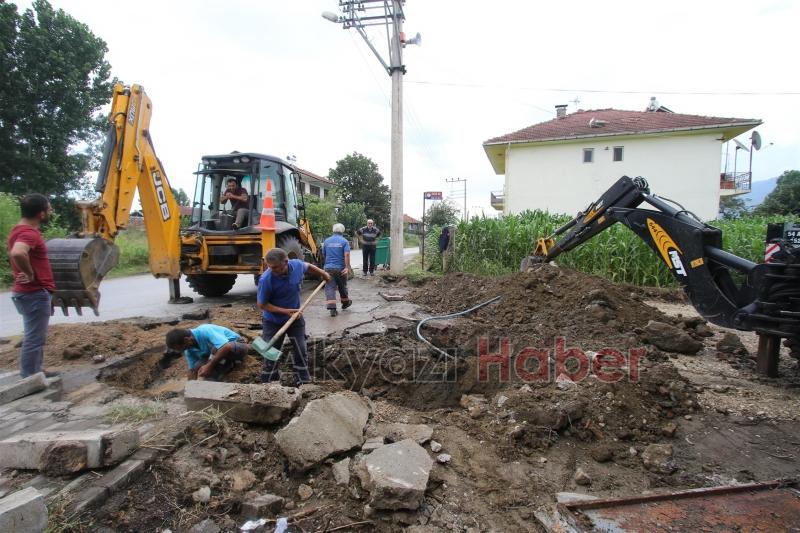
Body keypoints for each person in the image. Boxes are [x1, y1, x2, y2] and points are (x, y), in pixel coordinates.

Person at [257, 248, 330, 385]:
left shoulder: (295, 265)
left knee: (300, 349)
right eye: (269, 267)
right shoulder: (266, 279)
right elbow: (262, 304)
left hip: (295, 318)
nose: (272, 270)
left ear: (286, 262)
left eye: (275, 267)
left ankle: (302, 380)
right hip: (273, 321)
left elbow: (308, 266)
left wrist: (323, 273)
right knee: (271, 351)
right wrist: (285, 311)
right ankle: (269, 381)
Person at [8, 194, 58, 378]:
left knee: (35, 335)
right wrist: (30, 274)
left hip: (28, 293)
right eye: (49, 208)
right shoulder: (28, 233)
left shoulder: (18, 230)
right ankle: (31, 376)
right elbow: (18, 252)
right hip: (34, 293)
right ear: (41, 214)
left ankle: (35, 370)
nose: (51, 210)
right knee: (34, 338)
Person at [165, 324, 249, 381]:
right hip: (217, 355)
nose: (182, 351)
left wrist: (209, 366)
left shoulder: (204, 330)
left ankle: (229, 363)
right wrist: (192, 385)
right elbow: (192, 370)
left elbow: (226, 346)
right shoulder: (189, 349)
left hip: (237, 346)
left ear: (187, 340)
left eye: (181, 348)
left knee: (216, 348)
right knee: (198, 366)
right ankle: (227, 365)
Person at [322, 223, 353, 317]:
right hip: (340, 268)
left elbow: (324, 254)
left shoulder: (326, 241)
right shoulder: (344, 241)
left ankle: (332, 308)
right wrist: (347, 267)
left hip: (328, 268)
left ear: (333, 230)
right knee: (342, 286)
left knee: (330, 287)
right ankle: (345, 303)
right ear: (342, 231)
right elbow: (346, 255)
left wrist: (327, 265)